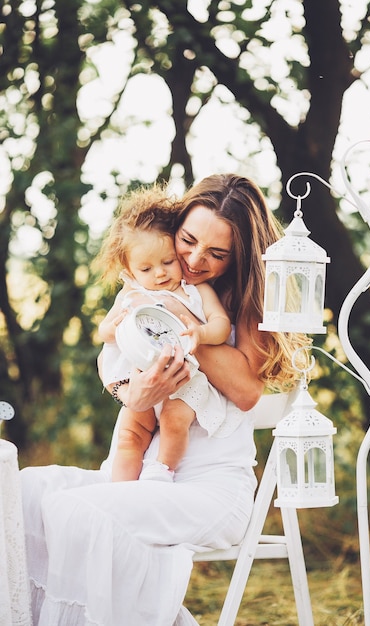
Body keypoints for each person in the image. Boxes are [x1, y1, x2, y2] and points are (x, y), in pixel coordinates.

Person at [20, 173, 309, 626]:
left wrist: (180, 319)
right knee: (22, 493)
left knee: (74, 511)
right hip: (138, 475)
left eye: (216, 253)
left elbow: (248, 391)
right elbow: (113, 361)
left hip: (209, 487)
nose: (194, 260)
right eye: (188, 241)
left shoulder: (234, 302)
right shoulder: (150, 282)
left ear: (238, 255)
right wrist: (132, 392)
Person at [95, 185, 235, 483]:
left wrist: (201, 333)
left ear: (174, 251)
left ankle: (161, 473)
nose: (159, 274)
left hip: (183, 378)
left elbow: (221, 324)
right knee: (130, 434)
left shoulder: (195, 290)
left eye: (167, 262)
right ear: (130, 269)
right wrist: (113, 326)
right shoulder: (131, 292)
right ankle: (121, 489)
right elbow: (104, 333)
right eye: (146, 268)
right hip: (139, 378)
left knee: (174, 421)